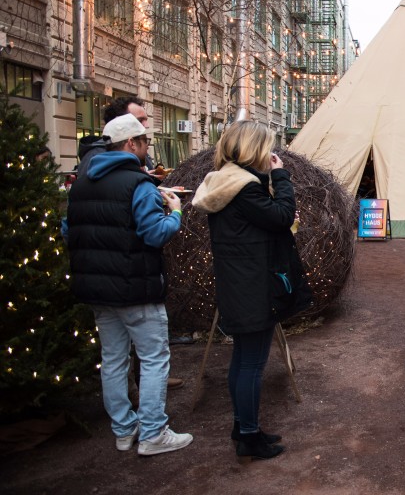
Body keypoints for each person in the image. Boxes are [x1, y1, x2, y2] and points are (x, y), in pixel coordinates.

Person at [65, 114, 192, 456]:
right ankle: (153, 433)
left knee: (113, 360)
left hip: (97, 291)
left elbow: (68, 231)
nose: (148, 147)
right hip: (137, 288)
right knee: (153, 359)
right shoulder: (138, 185)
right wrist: (175, 213)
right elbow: (155, 234)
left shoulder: (80, 184)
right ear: (131, 144)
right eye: (145, 141)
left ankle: (124, 430)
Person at [192, 121, 311, 460]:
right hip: (253, 286)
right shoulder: (245, 188)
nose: (270, 154)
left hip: (238, 283)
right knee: (252, 364)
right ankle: (249, 436)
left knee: (243, 359)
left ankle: (243, 425)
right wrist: (281, 176)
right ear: (253, 148)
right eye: (267, 147)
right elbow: (282, 216)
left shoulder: (225, 182)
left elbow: (265, 221)